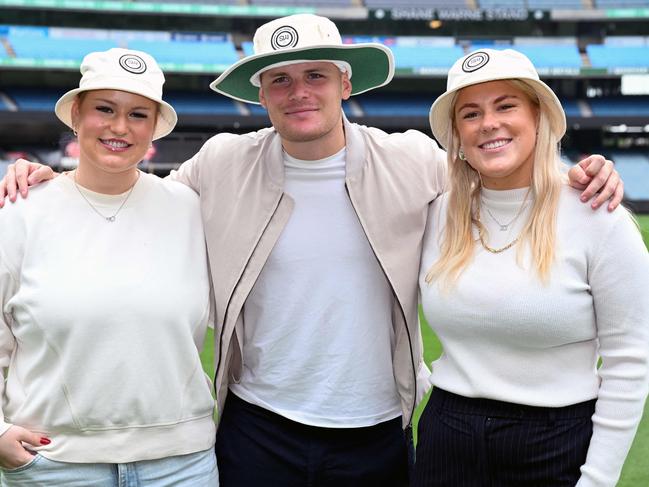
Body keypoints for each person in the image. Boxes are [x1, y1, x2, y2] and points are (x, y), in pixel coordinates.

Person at [0, 15, 624, 486]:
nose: (299, 92)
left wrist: (577, 171)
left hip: (378, 430)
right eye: (280, 80)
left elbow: (496, 163)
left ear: (344, 83)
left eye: (315, 75)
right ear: (261, 94)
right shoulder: (221, 163)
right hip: (256, 427)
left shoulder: (411, 160)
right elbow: (126, 187)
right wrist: (48, 179)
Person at [415, 48, 649, 487]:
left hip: (556, 444)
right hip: (446, 439)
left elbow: (630, 361)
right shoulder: (434, 215)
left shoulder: (600, 217)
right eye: (470, 113)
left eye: (506, 105)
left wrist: (597, 480)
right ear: (457, 135)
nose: (489, 123)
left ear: (538, 117)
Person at [0, 48, 218, 486]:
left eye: (138, 114)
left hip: (182, 465)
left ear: (154, 127)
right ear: (76, 115)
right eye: (104, 109)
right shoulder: (20, 210)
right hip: (54, 466)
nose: (120, 127)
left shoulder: (190, 208)